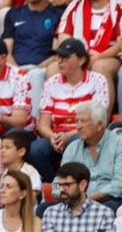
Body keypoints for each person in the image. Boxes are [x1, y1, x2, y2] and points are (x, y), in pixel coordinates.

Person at [29, 38, 108, 180]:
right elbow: (43, 124)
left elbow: (97, 120)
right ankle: (55, 183)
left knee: (77, 141)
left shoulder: (97, 80)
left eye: (65, 57)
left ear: (81, 60)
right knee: (35, 150)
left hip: (83, 134)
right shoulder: (51, 83)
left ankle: (75, 184)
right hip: (57, 136)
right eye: (59, 57)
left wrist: (68, 135)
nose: (59, 61)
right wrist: (51, 136)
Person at [40, 162, 117, 232]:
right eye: (59, 185)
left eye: (67, 185)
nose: (61, 189)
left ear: (82, 185)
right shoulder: (50, 213)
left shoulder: (104, 214)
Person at [60, 101, 122, 204]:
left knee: (110, 207)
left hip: (109, 200)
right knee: (44, 208)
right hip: (75, 200)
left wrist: (89, 199)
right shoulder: (72, 148)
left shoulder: (120, 145)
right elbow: (58, 182)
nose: (78, 127)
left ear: (99, 125)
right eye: (77, 121)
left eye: (84, 121)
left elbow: (121, 184)